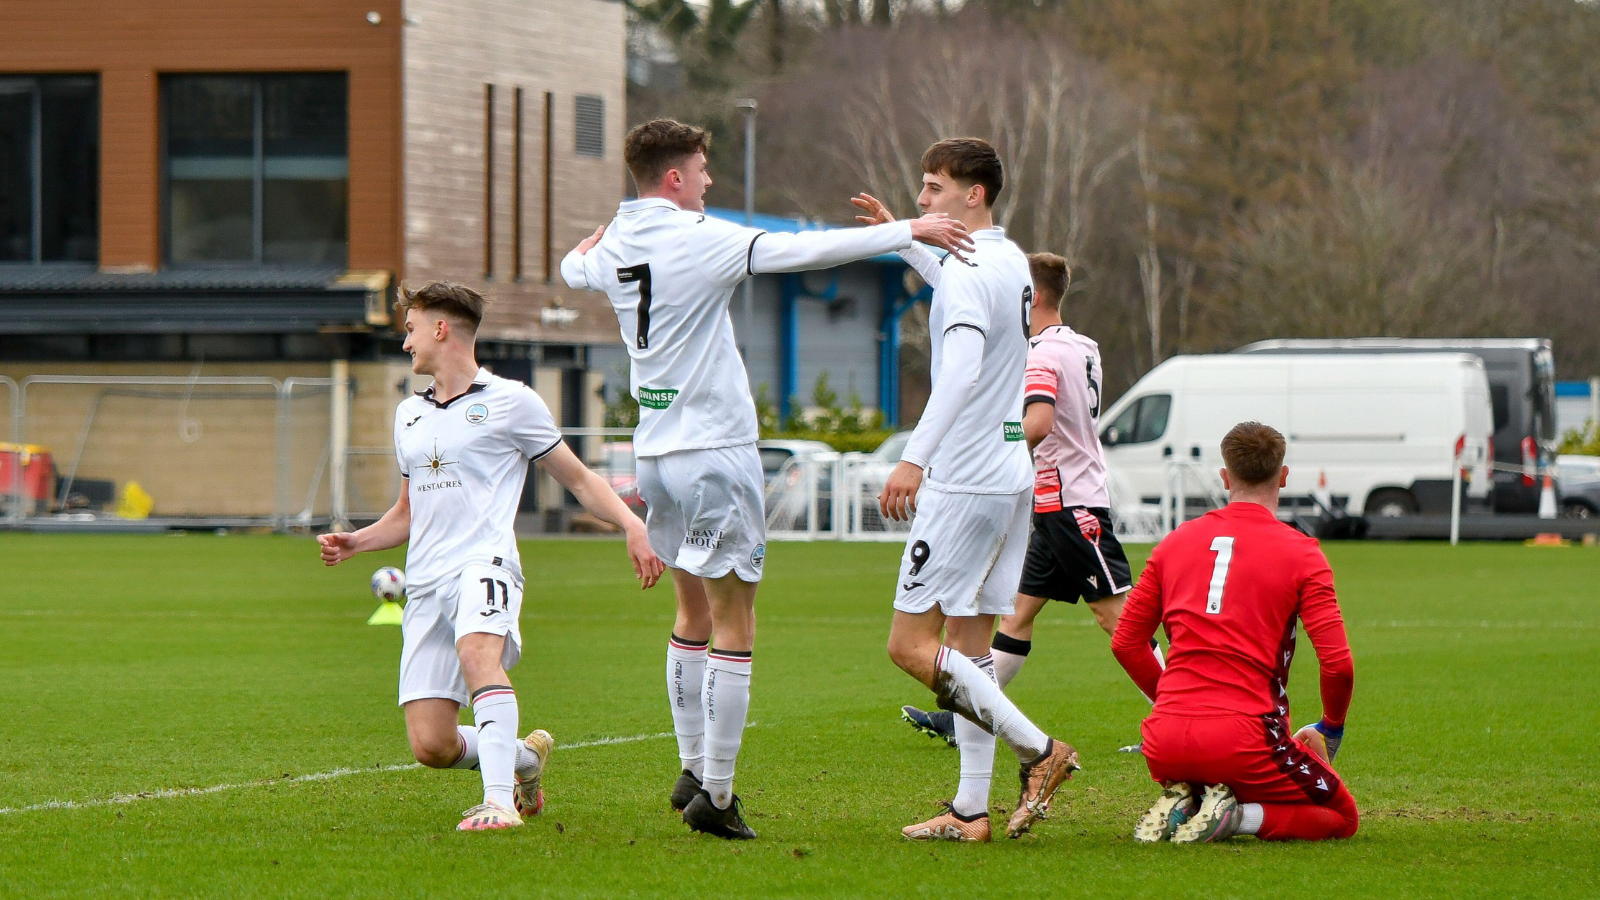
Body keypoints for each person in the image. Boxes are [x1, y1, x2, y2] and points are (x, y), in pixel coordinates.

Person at [560, 118, 973, 840]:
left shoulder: (618, 243)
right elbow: (800, 249)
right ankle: (716, 795)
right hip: (715, 453)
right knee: (734, 618)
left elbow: (572, 267)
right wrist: (909, 229)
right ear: (675, 179)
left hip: (655, 454)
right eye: (703, 169)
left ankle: (693, 768)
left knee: (692, 613)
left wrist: (581, 250)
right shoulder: (701, 235)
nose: (711, 182)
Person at [317, 282, 665, 832]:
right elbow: (408, 511)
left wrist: (630, 523)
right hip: (426, 583)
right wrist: (357, 541)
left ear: (440, 329)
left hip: (486, 564)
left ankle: (499, 803)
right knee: (431, 745)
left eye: (410, 329)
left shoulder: (512, 401)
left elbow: (576, 478)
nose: (405, 343)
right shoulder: (409, 414)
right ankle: (524, 759)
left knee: (480, 656)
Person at [870, 138, 1080, 844]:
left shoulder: (972, 271)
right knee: (968, 642)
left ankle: (1040, 750)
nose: (922, 200)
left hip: (961, 479)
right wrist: (901, 243)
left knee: (909, 644)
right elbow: (960, 282)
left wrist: (914, 460)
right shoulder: (1007, 260)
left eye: (933, 188)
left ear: (974, 195)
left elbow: (957, 374)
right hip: (1009, 471)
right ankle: (969, 812)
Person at [891, 252, 1161, 749]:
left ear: (1031, 297)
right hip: (1055, 505)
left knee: (1116, 618)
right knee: (1016, 618)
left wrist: (999, 433)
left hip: (1072, 504)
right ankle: (969, 715)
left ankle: (1181, 718)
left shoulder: (1037, 353)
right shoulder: (1083, 346)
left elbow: (1037, 423)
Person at [1110, 421, 1358, 843]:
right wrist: (1330, 728)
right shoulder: (1303, 553)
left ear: (1225, 478)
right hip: (1245, 739)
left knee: (1219, 766)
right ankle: (1235, 815)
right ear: (1283, 476)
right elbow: (1338, 666)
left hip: (1165, 740)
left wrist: (1172, 701)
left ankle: (1193, 796)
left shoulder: (1173, 543)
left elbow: (1126, 642)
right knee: (1340, 816)